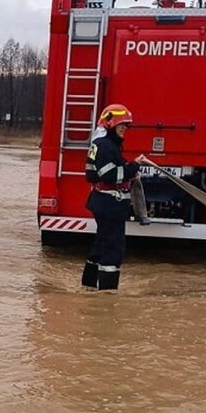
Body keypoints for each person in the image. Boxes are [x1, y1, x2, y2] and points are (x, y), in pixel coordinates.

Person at [82, 104, 146, 290]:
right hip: (110, 204)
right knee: (113, 251)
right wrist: (134, 167)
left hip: (103, 201)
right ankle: (107, 299)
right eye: (122, 125)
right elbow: (110, 176)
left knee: (101, 246)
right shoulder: (106, 146)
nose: (125, 128)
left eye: (127, 125)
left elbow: (93, 175)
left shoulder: (101, 144)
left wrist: (128, 170)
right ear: (110, 123)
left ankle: (88, 287)